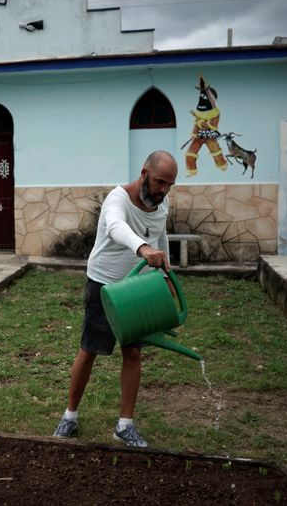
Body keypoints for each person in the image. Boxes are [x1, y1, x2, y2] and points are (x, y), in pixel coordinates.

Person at [53, 150, 178, 448]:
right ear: (144, 173)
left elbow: (161, 238)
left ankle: (125, 425)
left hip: (137, 288)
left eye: (169, 185)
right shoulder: (117, 199)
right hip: (104, 285)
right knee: (90, 349)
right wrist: (143, 249)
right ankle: (70, 416)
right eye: (160, 182)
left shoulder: (162, 202)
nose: (163, 190)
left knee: (133, 353)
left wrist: (166, 276)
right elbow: (115, 227)